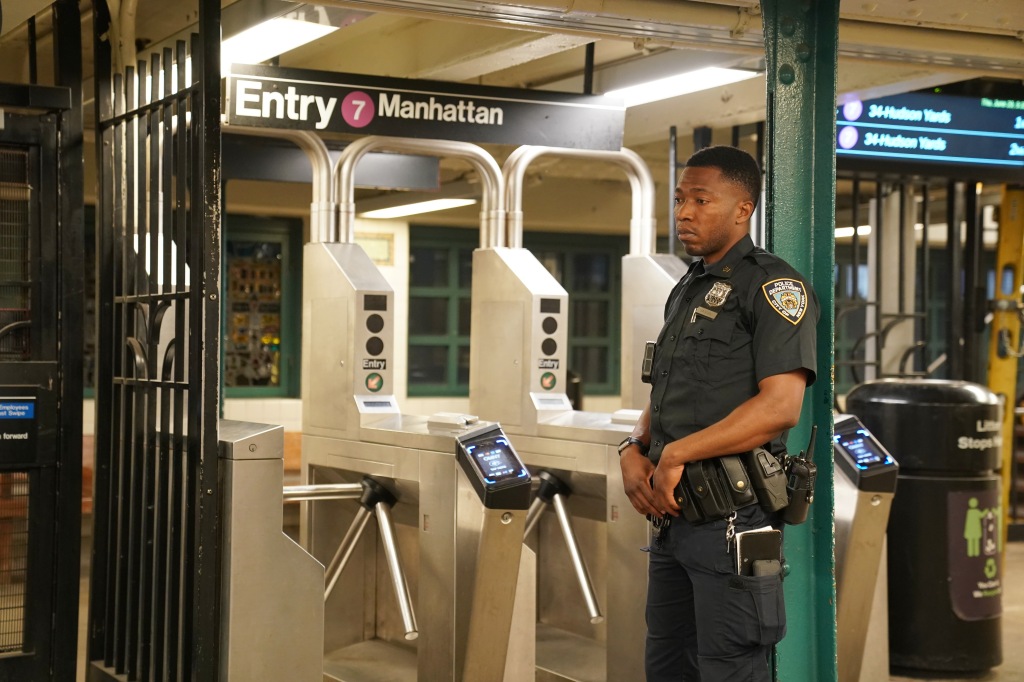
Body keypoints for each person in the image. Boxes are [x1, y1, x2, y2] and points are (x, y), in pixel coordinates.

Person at [618, 145, 819, 681]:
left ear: (742, 209)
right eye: (681, 199)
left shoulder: (774, 287)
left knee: (731, 669)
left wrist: (677, 453)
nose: (684, 212)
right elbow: (669, 390)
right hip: (673, 521)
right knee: (667, 664)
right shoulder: (689, 286)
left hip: (733, 520)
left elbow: (780, 407)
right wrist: (635, 448)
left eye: (701, 200)